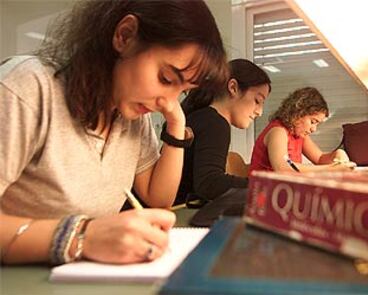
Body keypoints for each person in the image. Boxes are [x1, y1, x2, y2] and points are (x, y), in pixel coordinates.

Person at [0, 0, 227, 265]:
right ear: (125, 35)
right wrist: (82, 237)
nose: (167, 101)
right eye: (166, 79)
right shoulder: (27, 88)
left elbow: (158, 199)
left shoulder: (131, 114)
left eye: (183, 91)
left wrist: (177, 124)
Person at [176, 59, 271, 226]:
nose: (260, 112)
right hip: (177, 214)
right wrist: (265, 187)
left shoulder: (202, 117)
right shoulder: (215, 123)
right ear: (233, 88)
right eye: (257, 100)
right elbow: (209, 183)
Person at [250, 87, 355, 174]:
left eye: (317, 124)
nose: (314, 129)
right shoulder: (278, 131)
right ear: (298, 113)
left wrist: (337, 154)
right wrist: (330, 169)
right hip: (261, 193)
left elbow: (319, 159)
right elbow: (283, 168)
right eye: (313, 122)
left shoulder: (299, 135)